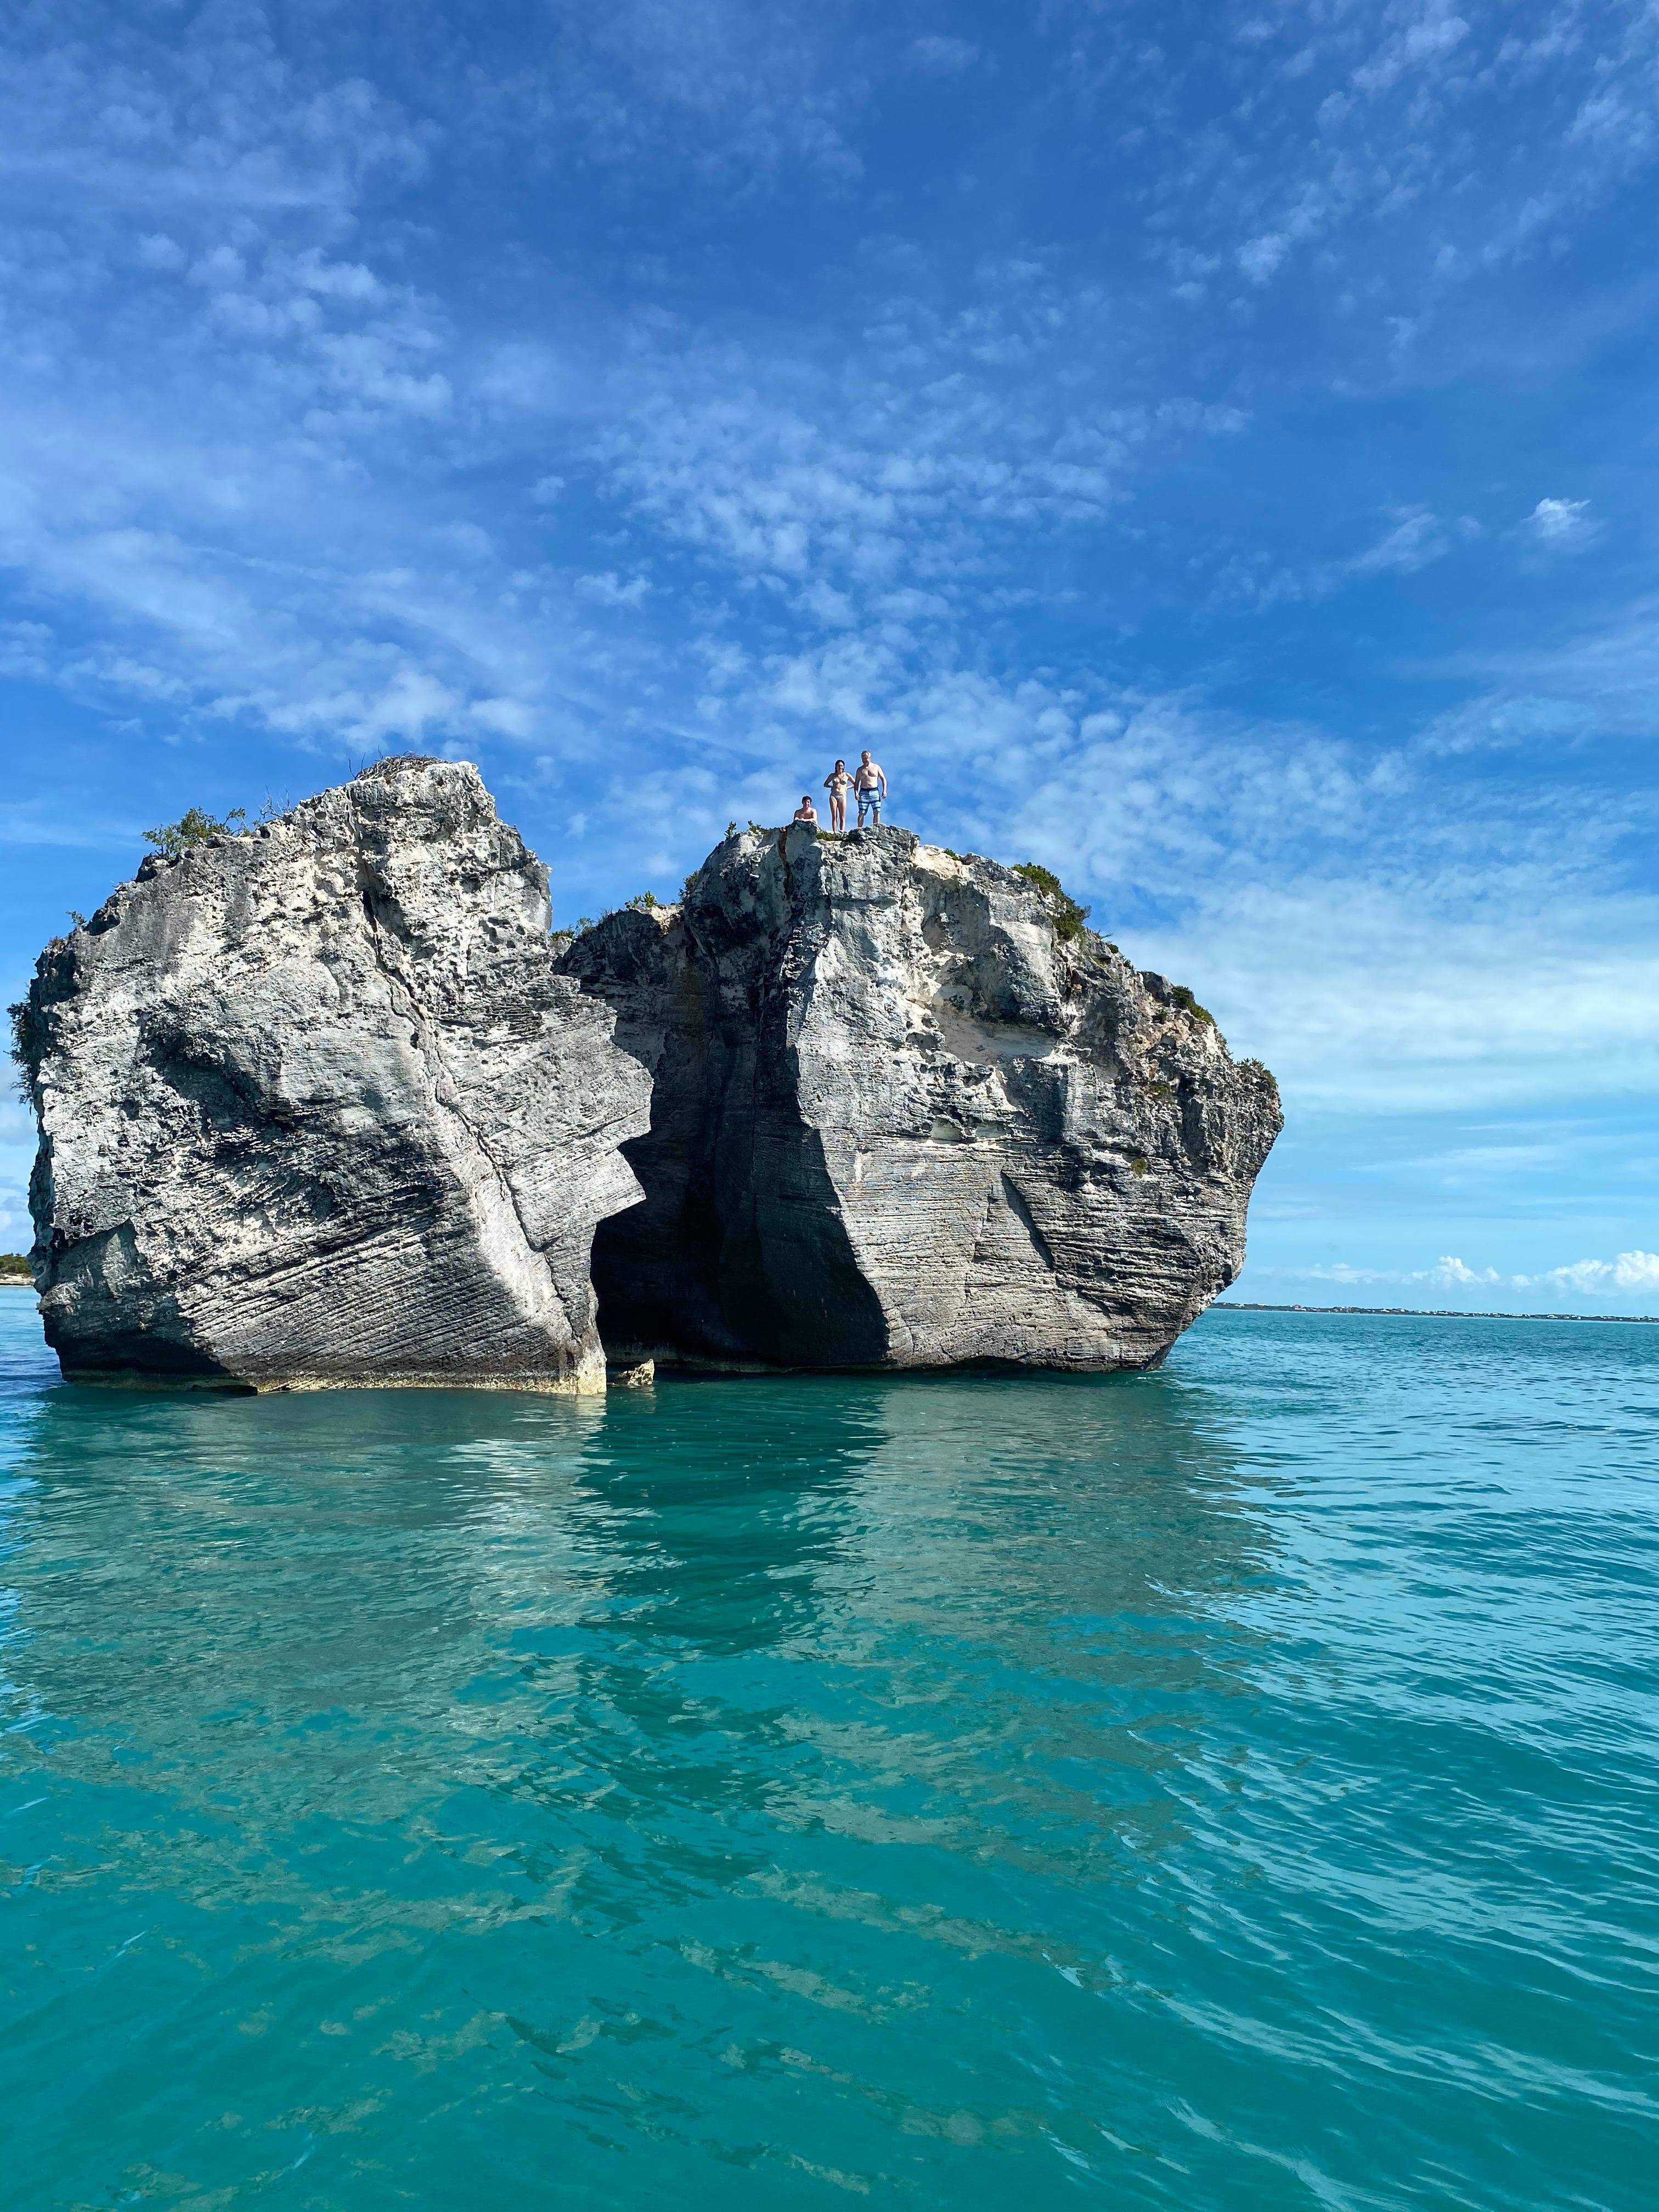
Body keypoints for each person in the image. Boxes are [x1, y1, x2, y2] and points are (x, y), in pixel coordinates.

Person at [854, 749, 887, 827]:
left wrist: (884, 790)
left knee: (877, 811)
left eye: (866, 758)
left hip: (874, 791)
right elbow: (857, 782)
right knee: (862, 812)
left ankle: (876, 828)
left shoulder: (876, 767)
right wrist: (856, 792)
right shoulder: (860, 770)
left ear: (870, 758)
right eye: (863, 759)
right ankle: (859, 829)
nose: (865, 760)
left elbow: (883, 779)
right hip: (863, 792)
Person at [822, 757, 852, 832]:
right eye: (839, 766)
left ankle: (841, 831)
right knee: (834, 816)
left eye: (842, 766)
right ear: (836, 767)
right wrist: (831, 787)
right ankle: (835, 831)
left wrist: (847, 788)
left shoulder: (847, 775)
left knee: (842, 816)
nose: (840, 767)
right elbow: (825, 784)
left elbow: (856, 783)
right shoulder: (833, 776)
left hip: (843, 795)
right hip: (834, 795)